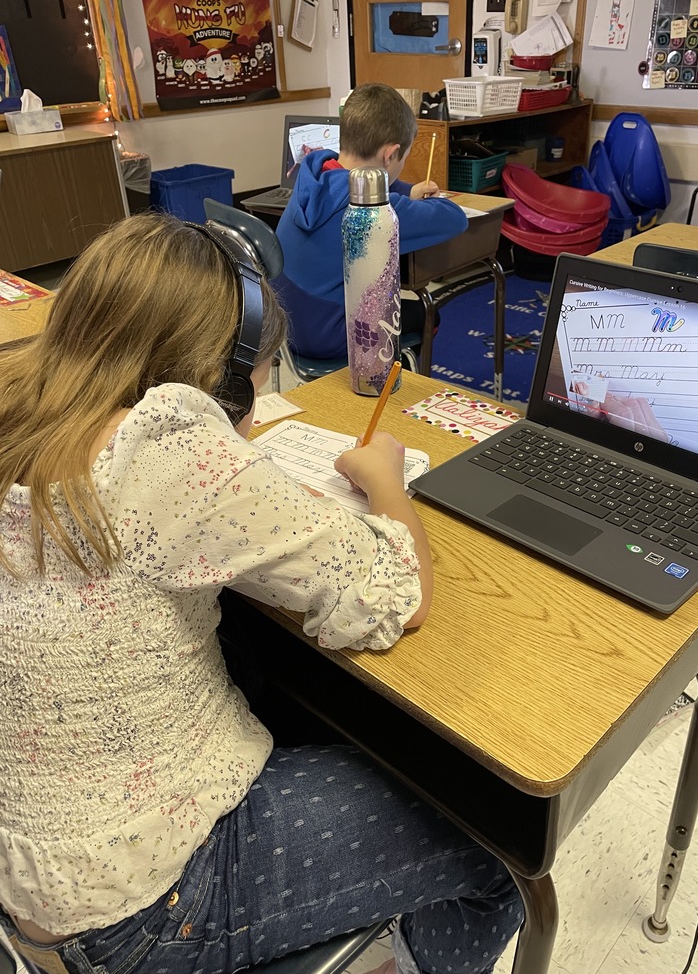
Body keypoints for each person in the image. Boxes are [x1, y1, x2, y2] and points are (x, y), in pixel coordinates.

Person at [0, 212, 523, 974]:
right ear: (218, 382)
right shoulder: (167, 449)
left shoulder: (23, 402)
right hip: (137, 907)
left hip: (32, 869)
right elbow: (395, 592)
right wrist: (385, 482)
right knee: (498, 847)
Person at [275, 83, 468, 359]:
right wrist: (413, 199)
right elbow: (454, 219)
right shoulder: (370, 210)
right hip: (326, 334)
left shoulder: (316, 173)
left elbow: (357, 183)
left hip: (282, 322)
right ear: (390, 155)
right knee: (424, 312)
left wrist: (404, 191)